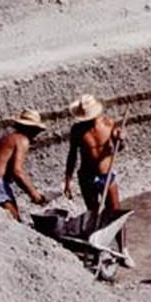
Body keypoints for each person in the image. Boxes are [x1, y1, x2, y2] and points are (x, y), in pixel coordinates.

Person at [63, 94, 132, 265]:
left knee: (115, 211)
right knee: (93, 212)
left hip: (106, 175)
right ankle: (101, 248)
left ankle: (123, 250)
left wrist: (121, 140)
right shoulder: (77, 130)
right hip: (86, 176)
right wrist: (67, 180)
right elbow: (72, 155)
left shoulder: (108, 124)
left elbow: (120, 147)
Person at [0, 109, 49, 221]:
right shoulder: (22, 140)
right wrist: (34, 194)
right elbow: (17, 171)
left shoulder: (7, 138)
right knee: (13, 218)